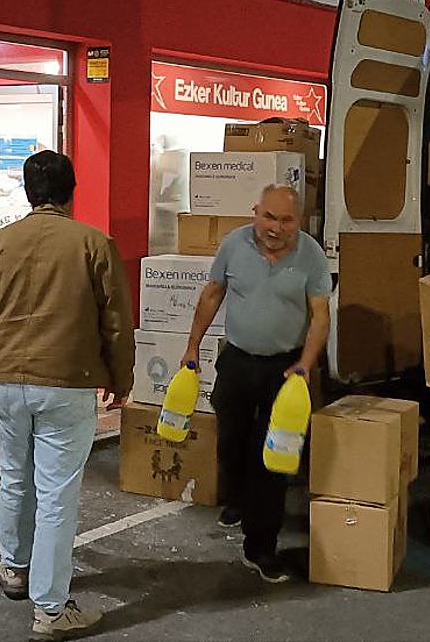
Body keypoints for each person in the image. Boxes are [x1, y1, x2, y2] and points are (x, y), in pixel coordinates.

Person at [0, 150, 134, 639]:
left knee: (15, 479)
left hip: (6, 380)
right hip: (67, 379)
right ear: (71, 191)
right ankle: (50, 607)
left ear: (28, 191)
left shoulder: (3, 240)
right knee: (57, 495)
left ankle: (13, 568)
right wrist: (121, 379)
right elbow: (116, 320)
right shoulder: (93, 243)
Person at [181, 184, 331, 584]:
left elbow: (320, 315)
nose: (276, 228)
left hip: (286, 370)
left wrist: (306, 363)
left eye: (286, 220)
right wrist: (192, 346)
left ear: (299, 221)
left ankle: (260, 546)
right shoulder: (234, 245)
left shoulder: (311, 255)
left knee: (274, 459)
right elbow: (212, 294)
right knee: (231, 442)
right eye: (269, 217)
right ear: (255, 212)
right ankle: (237, 498)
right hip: (238, 361)